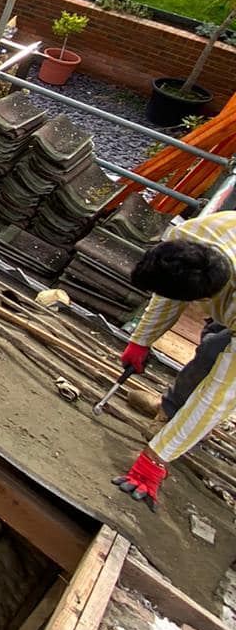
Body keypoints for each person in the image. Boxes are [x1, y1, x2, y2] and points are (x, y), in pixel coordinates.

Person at [111, 213, 236, 511]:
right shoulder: (193, 236)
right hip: (226, 296)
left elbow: (219, 395)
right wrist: (141, 340)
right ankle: (169, 412)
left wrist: (156, 459)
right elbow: (171, 293)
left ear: (204, 297)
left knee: (219, 357)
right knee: (210, 348)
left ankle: (173, 438)